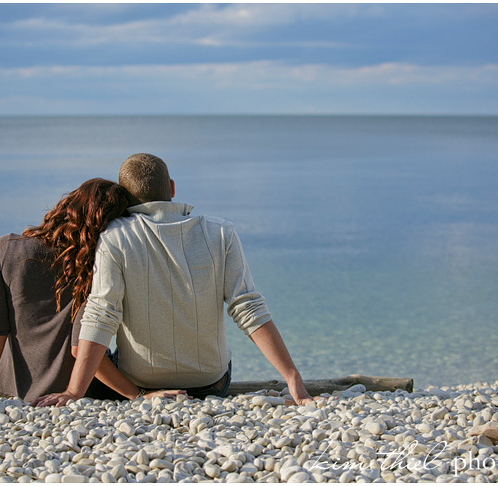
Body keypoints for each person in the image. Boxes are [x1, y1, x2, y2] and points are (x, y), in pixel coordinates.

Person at [33, 154, 313, 407]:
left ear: (124, 199)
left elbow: (102, 315)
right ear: (173, 188)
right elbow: (248, 308)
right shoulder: (221, 232)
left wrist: (73, 392)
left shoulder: (115, 237)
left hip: (145, 384)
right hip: (211, 384)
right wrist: (292, 377)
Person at [0, 178, 185, 403]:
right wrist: (139, 395)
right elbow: (82, 348)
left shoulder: (7, 249)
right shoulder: (96, 265)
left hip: (12, 392)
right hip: (81, 394)